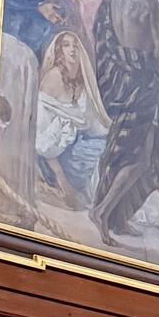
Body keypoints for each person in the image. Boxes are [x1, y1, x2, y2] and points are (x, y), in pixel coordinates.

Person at [91, 0, 159, 244]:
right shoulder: (149, 2)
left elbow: (101, 38)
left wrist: (124, 62)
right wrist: (146, 63)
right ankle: (102, 212)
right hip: (142, 85)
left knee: (128, 150)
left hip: (119, 83)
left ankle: (118, 217)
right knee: (140, 157)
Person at [35, 29, 109, 208]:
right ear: (59, 51)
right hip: (54, 160)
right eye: (66, 45)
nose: (72, 50)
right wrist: (64, 183)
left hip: (77, 149)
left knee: (112, 150)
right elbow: (42, 141)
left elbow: (92, 123)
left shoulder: (83, 81)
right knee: (100, 157)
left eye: (76, 45)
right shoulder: (52, 79)